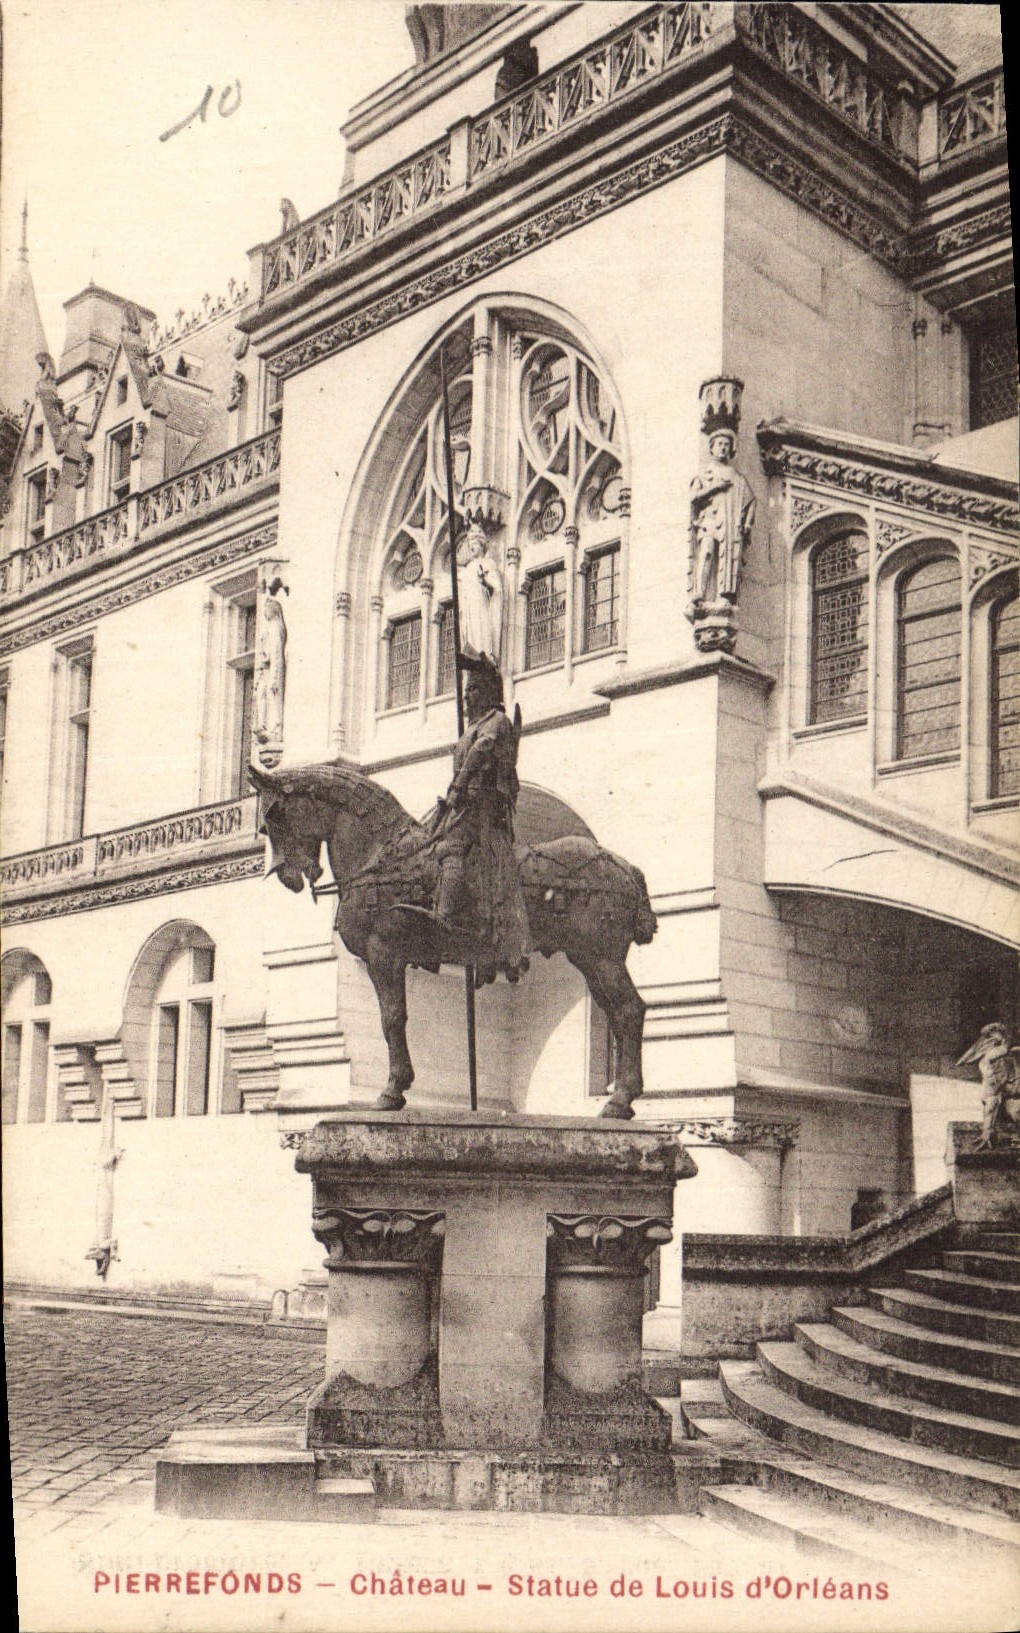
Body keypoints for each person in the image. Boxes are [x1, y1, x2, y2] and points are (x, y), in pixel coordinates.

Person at [430, 652, 530, 981]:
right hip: (463, 806)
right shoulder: (473, 725)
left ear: (488, 691)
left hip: (484, 811)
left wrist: (458, 787)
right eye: (466, 691)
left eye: (474, 689)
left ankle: (442, 923)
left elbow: (481, 752)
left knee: (451, 850)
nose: (468, 695)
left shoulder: (496, 722)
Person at [689, 429, 755, 610]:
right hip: (709, 521)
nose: (723, 448)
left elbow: (751, 501)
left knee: (726, 556)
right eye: (719, 444)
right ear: (711, 448)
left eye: (726, 445)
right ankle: (699, 592)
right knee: (707, 552)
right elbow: (694, 497)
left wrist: (748, 523)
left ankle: (723, 595)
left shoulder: (736, 476)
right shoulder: (705, 474)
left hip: (729, 524)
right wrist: (715, 488)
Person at [455, 523, 504, 662]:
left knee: (481, 633)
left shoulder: (488, 563)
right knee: (469, 633)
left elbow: (496, 589)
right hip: (468, 607)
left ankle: (485, 657)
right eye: (470, 544)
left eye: (475, 544)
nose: (472, 547)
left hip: (481, 605)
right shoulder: (467, 568)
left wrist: (484, 582)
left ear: (482, 546)